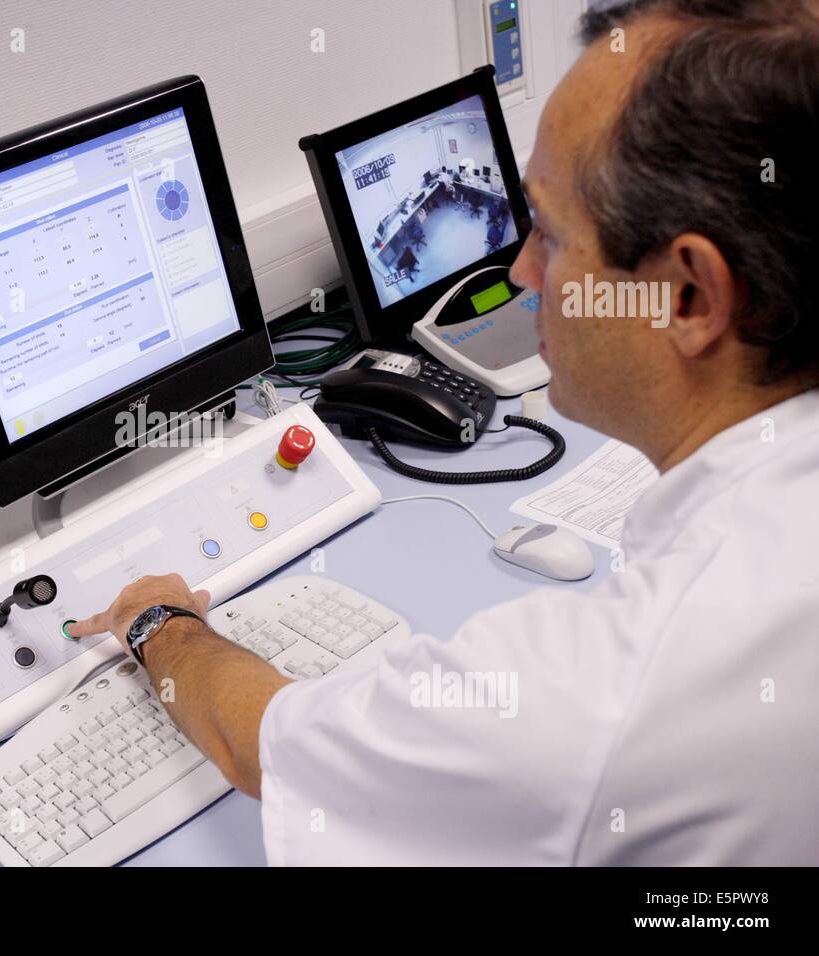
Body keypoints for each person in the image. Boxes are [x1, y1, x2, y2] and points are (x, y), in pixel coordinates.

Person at [67, 0, 819, 865]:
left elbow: (265, 745)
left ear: (688, 295)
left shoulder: (605, 689)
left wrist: (161, 625)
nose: (521, 273)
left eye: (551, 232)